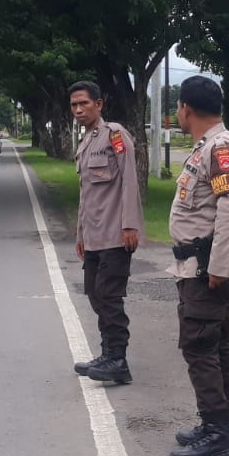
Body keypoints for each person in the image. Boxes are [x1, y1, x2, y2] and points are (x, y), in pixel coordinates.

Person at [166, 76, 229, 456]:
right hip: (199, 264)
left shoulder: (220, 149)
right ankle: (219, 424)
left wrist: (218, 265)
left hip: (206, 268)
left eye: (178, 107)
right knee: (214, 345)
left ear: (185, 108)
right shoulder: (208, 147)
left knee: (199, 346)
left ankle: (217, 434)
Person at [70, 81, 143, 384]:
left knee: (109, 296)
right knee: (94, 294)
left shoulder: (115, 135)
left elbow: (129, 180)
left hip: (115, 233)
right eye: (74, 105)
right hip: (93, 235)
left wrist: (130, 224)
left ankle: (118, 359)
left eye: (84, 103)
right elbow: (85, 194)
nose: (78, 110)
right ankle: (107, 353)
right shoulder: (86, 142)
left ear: (98, 104)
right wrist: (80, 234)